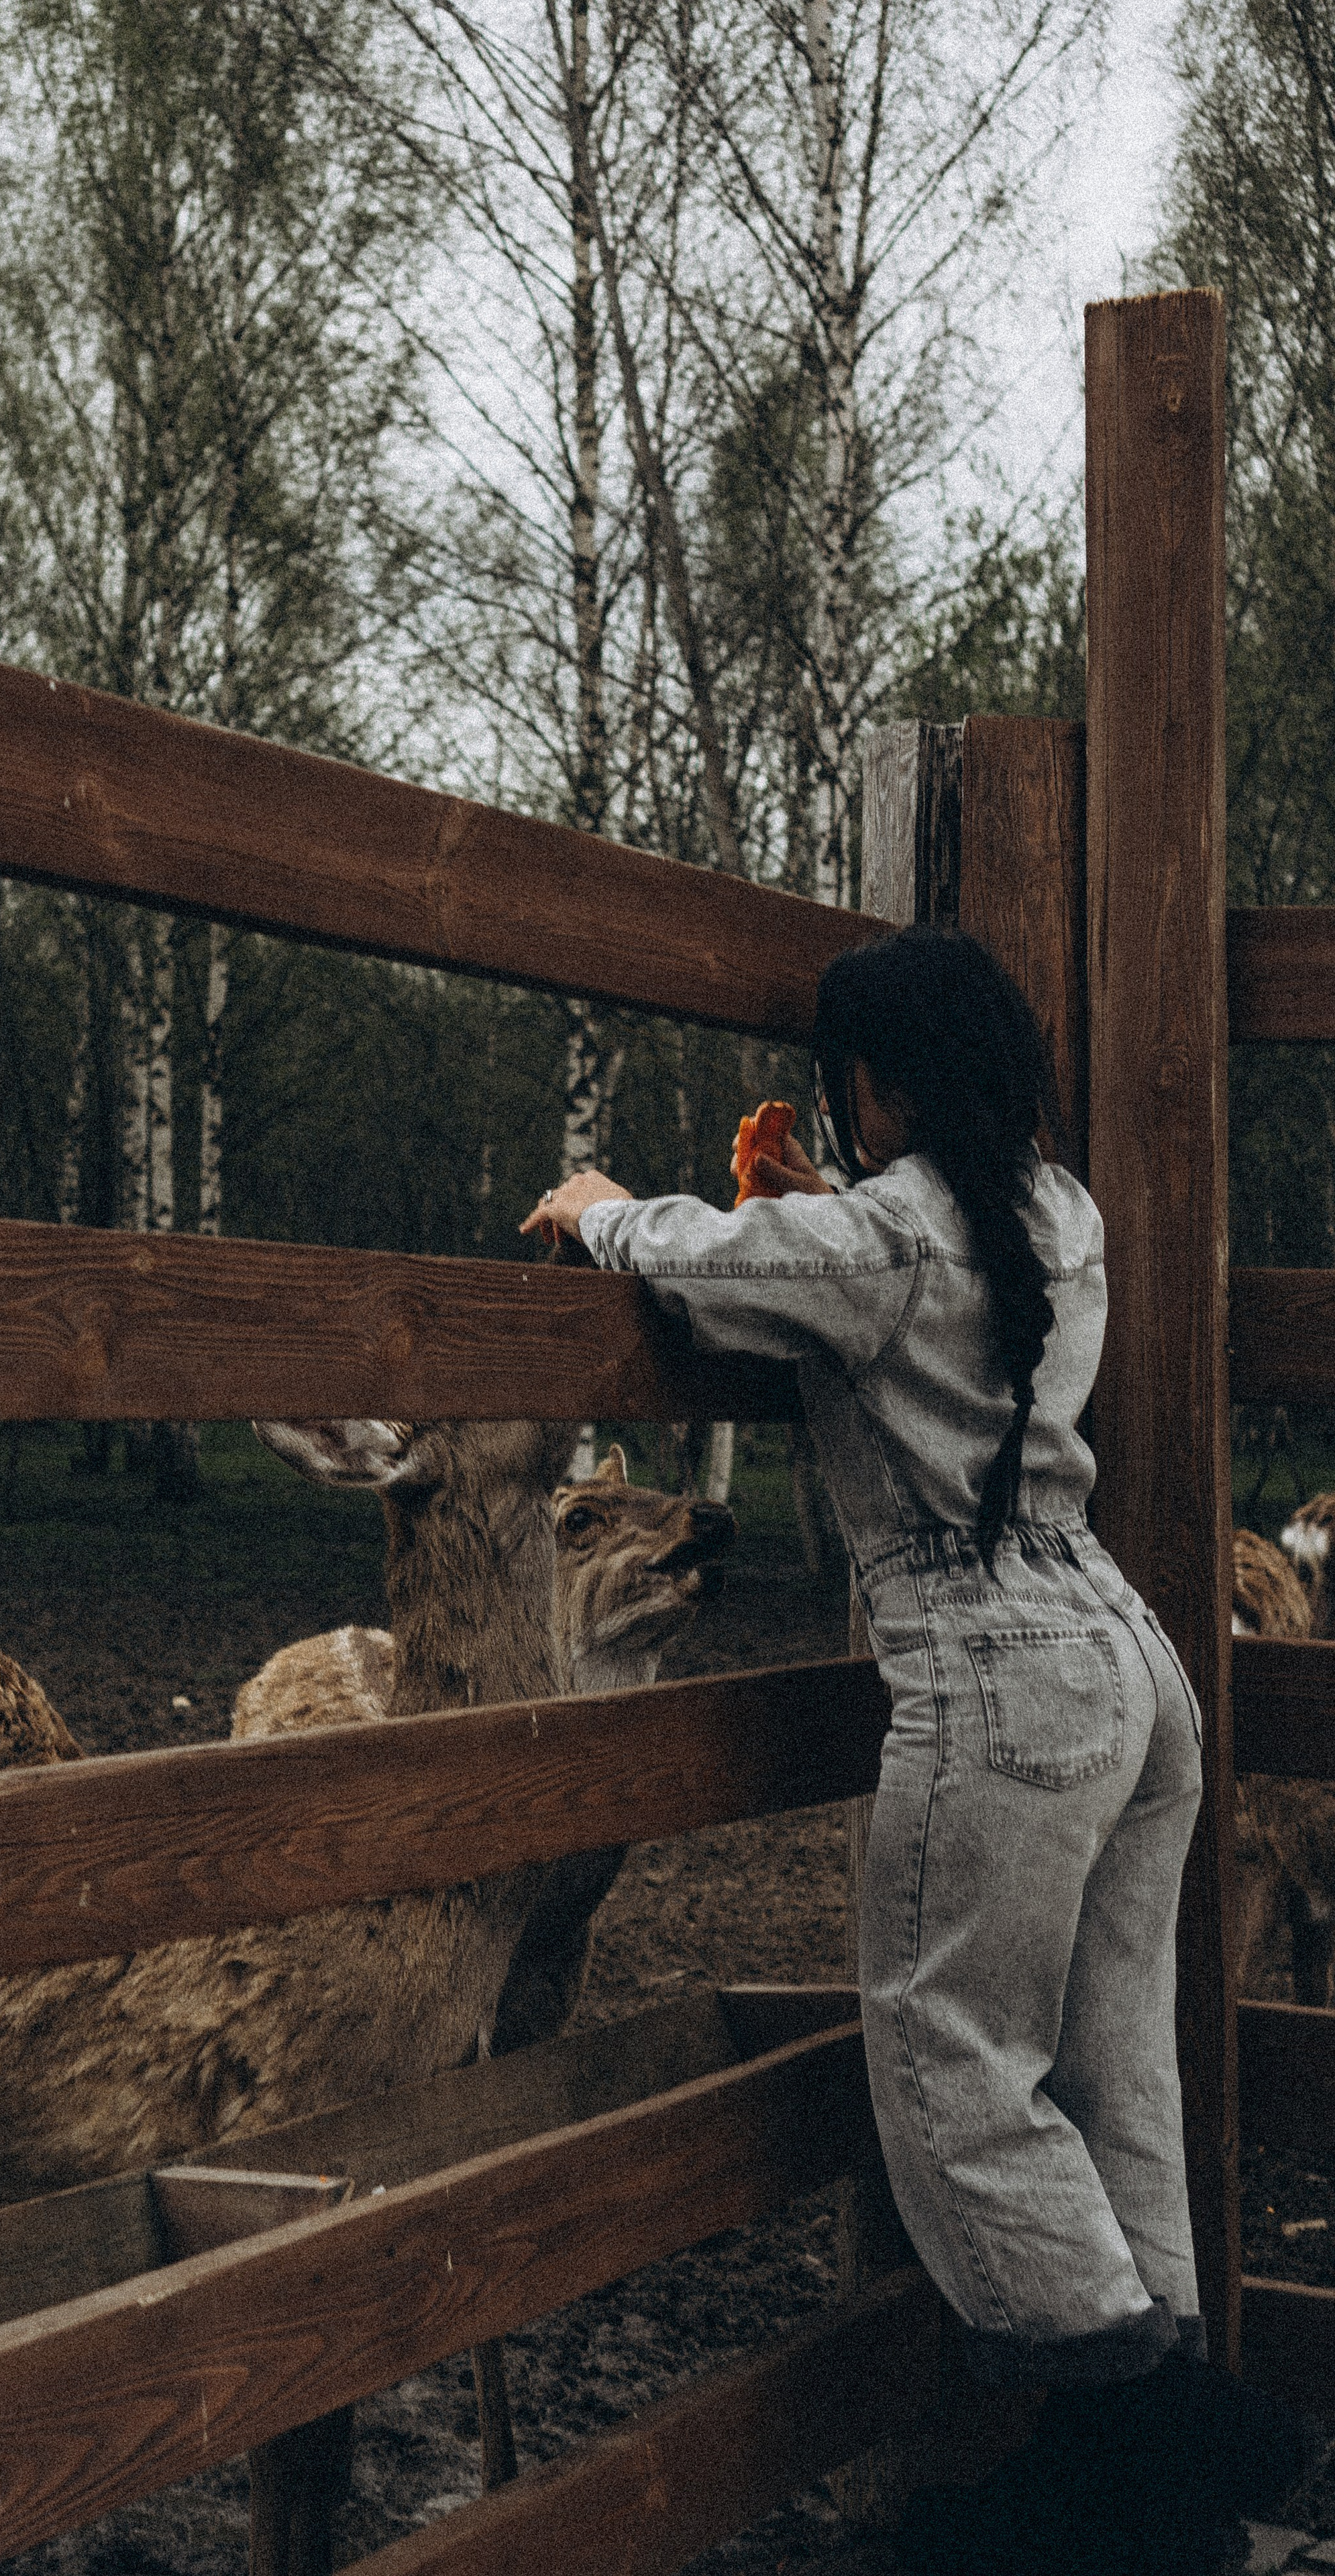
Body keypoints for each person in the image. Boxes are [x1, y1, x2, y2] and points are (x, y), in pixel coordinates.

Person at [523, 924, 1324, 2576]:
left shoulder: (875, 1238)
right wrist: (820, 1196)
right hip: (1129, 1669)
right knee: (1114, 2069)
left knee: (949, 2065)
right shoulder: (1057, 1210)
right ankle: (1130, 2503)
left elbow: (722, 1267)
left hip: (997, 1677)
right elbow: (898, 1274)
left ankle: (1162, 2423)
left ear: (872, 1086)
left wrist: (600, 1207)